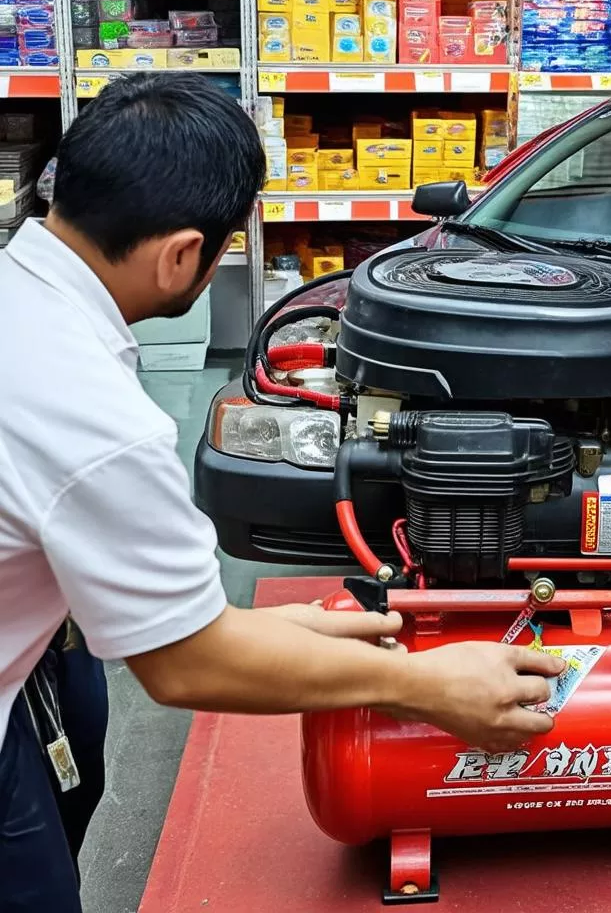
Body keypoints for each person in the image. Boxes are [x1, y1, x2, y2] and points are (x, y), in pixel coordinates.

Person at [0, 73, 564, 913]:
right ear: (182, 254)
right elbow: (186, 666)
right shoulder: (93, 414)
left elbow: (176, 623)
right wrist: (428, 686)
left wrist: (277, 629)